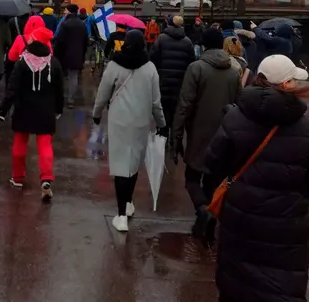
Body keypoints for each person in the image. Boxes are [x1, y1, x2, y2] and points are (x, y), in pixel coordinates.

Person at [205, 55, 309, 302]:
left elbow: (213, 162)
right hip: (286, 226)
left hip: (241, 217)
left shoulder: (235, 117)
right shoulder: (305, 128)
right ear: (285, 85)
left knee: (237, 285)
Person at [92, 30, 165, 233]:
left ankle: (121, 215)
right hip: (141, 121)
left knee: (121, 166)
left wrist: (96, 113)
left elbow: (103, 92)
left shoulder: (114, 65)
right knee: (133, 164)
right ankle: (129, 202)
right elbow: (156, 102)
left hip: (119, 122)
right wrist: (161, 123)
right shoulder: (150, 68)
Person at [173, 28, 240, 240]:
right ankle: (208, 219)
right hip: (224, 135)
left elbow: (184, 105)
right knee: (213, 181)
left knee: (192, 178)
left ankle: (203, 211)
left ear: (203, 45)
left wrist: (176, 135)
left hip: (199, 133)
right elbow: (239, 105)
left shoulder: (196, 68)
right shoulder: (233, 72)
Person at [0, 28, 64, 200]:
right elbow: (59, 90)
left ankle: (18, 177)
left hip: (23, 108)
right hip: (46, 110)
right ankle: (46, 177)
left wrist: (3, 109)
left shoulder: (22, 62)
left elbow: (12, 88)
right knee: (45, 145)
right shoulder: (53, 63)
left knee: (20, 142)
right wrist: (58, 108)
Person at [150, 15, 194, 137]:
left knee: (163, 107)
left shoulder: (161, 39)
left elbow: (153, 58)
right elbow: (191, 62)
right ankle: (174, 138)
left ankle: (163, 133)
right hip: (180, 82)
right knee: (176, 109)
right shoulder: (188, 42)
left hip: (163, 81)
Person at [53, 4, 88, 109]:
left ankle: (60, 98)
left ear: (69, 11)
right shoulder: (82, 25)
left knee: (62, 77)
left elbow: (59, 40)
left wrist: (56, 54)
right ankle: (70, 100)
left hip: (64, 55)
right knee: (74, 77)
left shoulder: (65, 24)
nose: (64, 11)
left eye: (66, 10)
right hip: (77, 55)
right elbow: (85, 41)